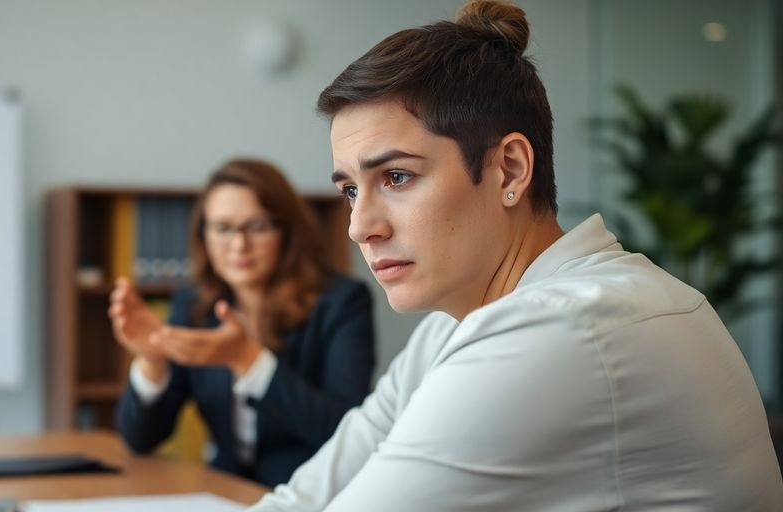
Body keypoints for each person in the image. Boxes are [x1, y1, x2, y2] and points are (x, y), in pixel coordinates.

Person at [249, 1, 783, 510]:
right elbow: (310, 497)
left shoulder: (563, 329)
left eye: (396, 177)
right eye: (350, 190)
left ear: (509, 169)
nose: (360, 227)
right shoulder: (457, 325)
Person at [109, 158, 376, 487]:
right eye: (222, 228)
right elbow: (141, 439)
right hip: (225, 492)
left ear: (287, 232)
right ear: (203, 234)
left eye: (257, 226)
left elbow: (346, 431)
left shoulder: (342, 301)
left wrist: (248, 361)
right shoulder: (193, 305)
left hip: (314, 493)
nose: (238, 245)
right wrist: (152, 360)